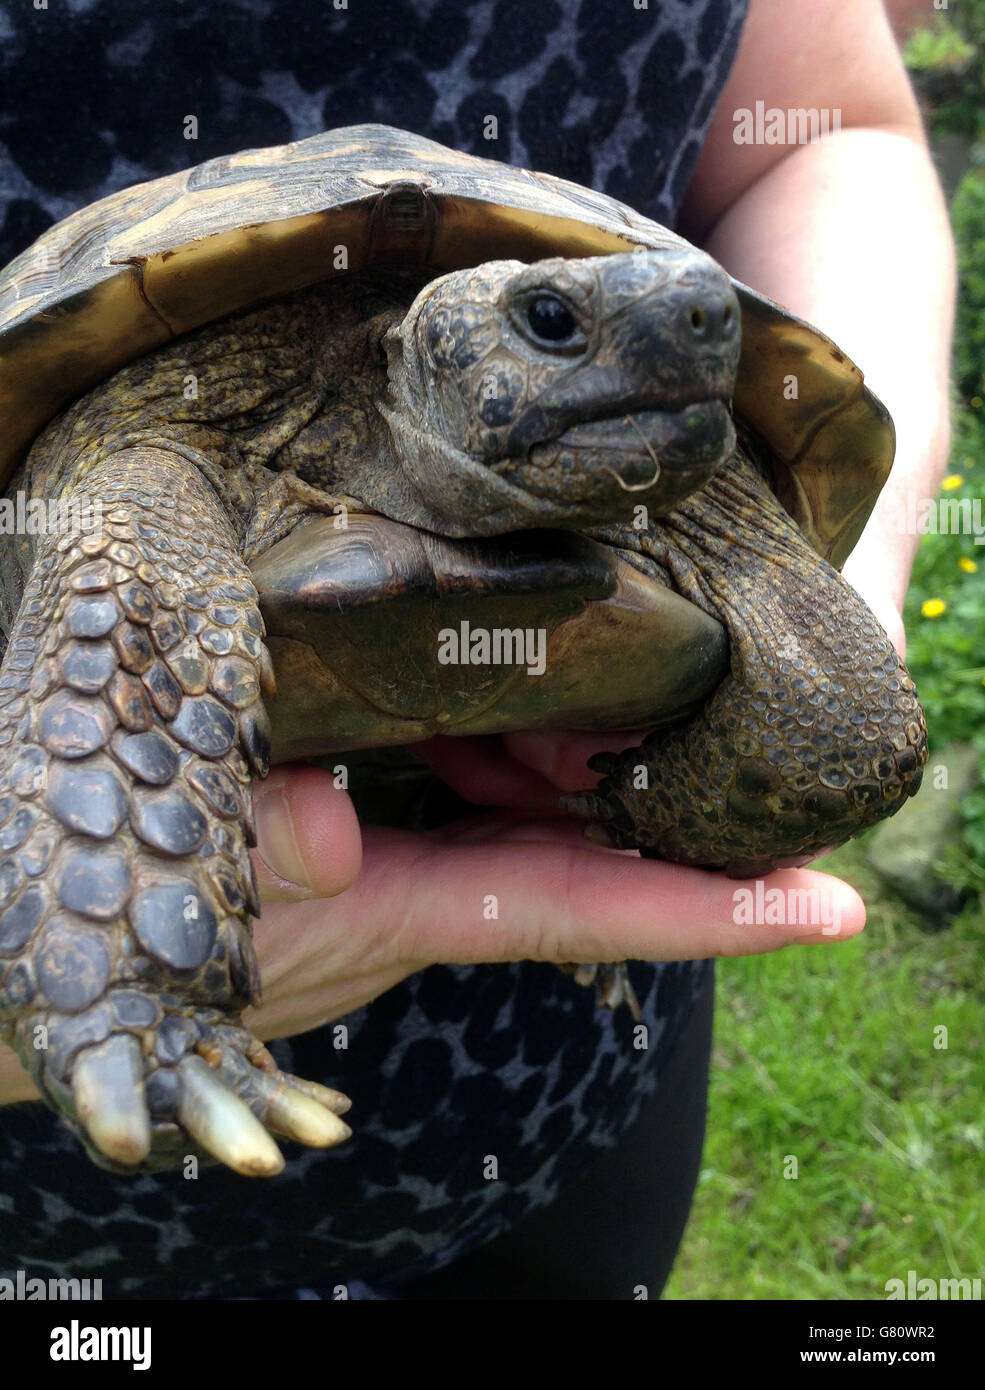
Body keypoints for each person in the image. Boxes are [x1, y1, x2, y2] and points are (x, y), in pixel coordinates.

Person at [0, 0, 954, 1299]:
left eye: (704, 335)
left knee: (835, 725)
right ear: (422, 353)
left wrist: (830, 629)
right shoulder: (153, 451)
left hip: (565, 1086)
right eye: (554, 330)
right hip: (72, 1225)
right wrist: (107, 985)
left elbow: (827, 129)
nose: (682, 344)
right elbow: (105, 602)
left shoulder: (681, 469)